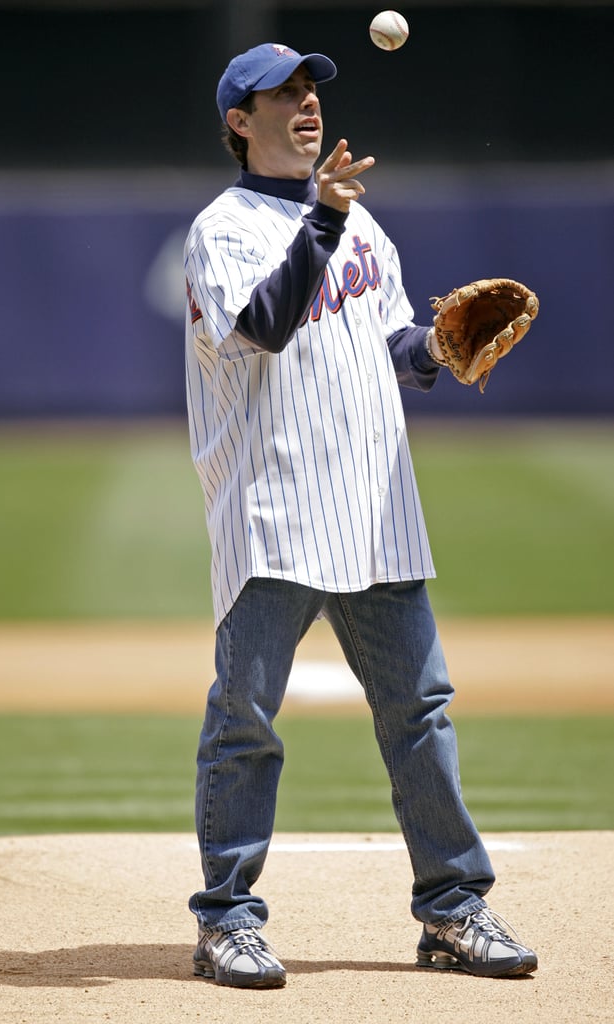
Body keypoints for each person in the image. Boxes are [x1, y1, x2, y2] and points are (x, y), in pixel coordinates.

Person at [182, 42, 537, 989]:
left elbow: (382, 343)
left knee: (418, 711)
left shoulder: (360, 226)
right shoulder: (222, 229)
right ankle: (225, 920)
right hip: (275, 505)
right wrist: (325, 224)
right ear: (237, 122)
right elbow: (261, 326)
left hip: (374, 505)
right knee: (246, 720)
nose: (305, 104)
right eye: (281, 95)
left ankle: (453, 909)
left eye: (310, 90)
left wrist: (437, 348)